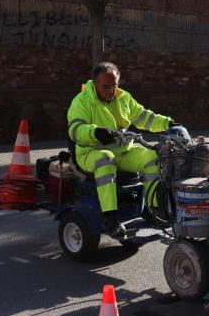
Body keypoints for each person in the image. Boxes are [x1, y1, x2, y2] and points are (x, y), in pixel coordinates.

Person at [67, 62, 174, 237]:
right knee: (106, 159)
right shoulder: (82, 101)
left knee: (155, 157)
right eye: (106, 86)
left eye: (115, 85)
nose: (111, 90)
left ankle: (152, 209)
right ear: (95, 83)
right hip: (89, 154)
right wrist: (95, 132)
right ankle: (109, 218)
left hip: (123, 152)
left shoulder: (123, 98)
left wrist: (168, 123)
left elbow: (144, 117)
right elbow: (75, 130)